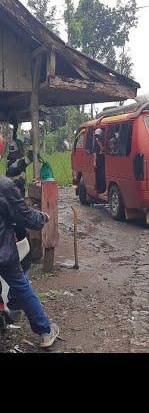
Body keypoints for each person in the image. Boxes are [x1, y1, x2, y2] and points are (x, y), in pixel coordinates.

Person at [0, 133, 59, 348]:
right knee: (21, 285)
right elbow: (24, 215)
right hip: (3, 252)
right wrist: (43, 217)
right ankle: (45, 331)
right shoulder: (4, 185)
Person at [94, 129, 106, 193]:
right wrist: (94, 162)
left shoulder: (103, 142)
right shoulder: (95, 143)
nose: (97, 137)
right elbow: (95, 152)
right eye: (96, 136)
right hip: (98, 158)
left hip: (102, 158)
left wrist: (99, 143)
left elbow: (103, 149)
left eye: (98, 136)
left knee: (102, 174)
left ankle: (102, 189)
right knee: (98, 175)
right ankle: (98, 190)